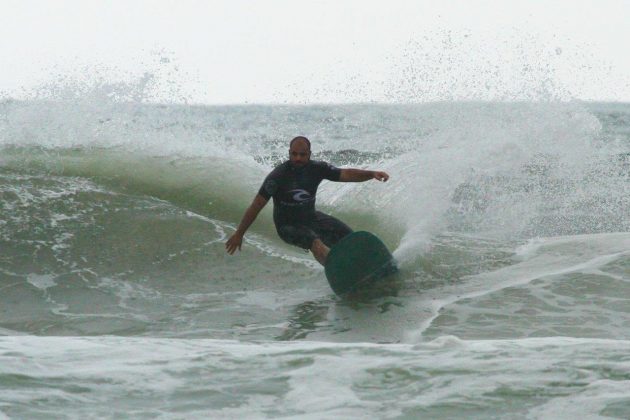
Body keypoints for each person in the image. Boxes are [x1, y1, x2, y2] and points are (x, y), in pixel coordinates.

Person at [225, 136, 389, 265]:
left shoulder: (317, 169)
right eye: (294, 154)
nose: (297, 158)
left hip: (311, 218)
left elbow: (345, 174)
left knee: (349, 237)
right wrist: (239, 234)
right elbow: (257, 205)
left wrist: (371, 174)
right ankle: (341, 272)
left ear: (309, 154)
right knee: (315, 243)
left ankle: (367, 265)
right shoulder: (277, 177)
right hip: (287, 226)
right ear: (289, 153)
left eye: (302, 155)